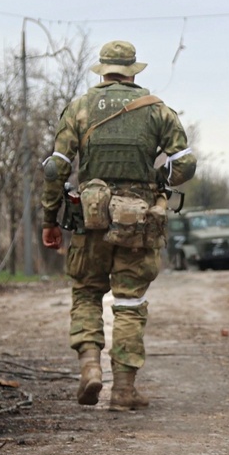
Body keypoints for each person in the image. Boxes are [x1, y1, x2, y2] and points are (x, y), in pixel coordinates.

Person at [41, 40, 196, 411]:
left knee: (86, 292)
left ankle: (90, 367)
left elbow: (56, 168)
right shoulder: (157, 110)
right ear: (132, 71)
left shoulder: (79, 108)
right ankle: (124, 390)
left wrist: (50, 218)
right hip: (137, 224)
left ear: (102, 69)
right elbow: (186, 163)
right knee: (130, 302)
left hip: (88, 222)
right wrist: (159, 180)